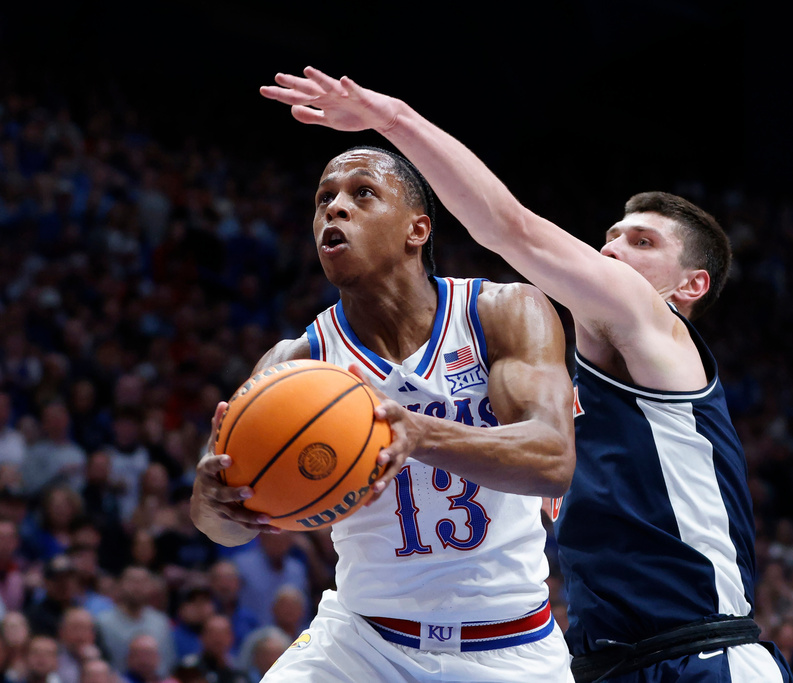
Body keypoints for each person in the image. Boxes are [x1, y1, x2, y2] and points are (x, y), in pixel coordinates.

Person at [260, 66, 793, 682]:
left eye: (642, 243)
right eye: (610, 237)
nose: (612, 252)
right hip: (605, 661)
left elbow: (507, 228)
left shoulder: (660, 337)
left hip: (701, 653)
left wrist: (392, 118)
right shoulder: (558, 384)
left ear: (690, 285)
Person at [189, 145, 576, 681]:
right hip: (361, 643)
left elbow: (553, 459)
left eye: (361, 194)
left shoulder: (500, 313)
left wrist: (421, 433)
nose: (334, 209)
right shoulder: (296, 361)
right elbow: (223, 532)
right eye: (324, 199)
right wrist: (215, 499)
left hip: (509, 646)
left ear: (416, 231)